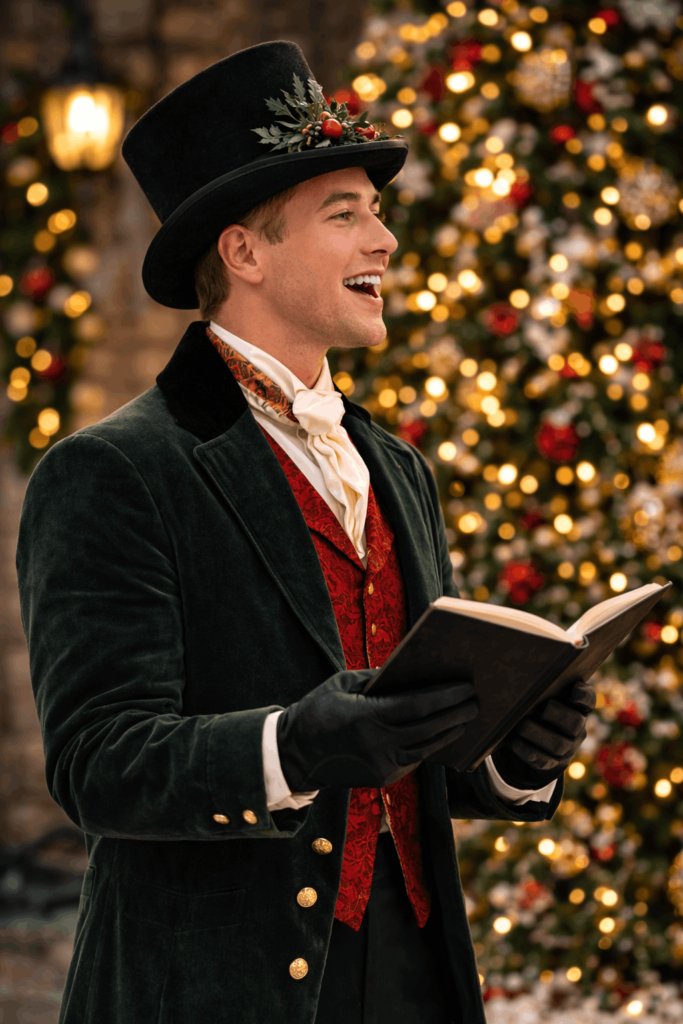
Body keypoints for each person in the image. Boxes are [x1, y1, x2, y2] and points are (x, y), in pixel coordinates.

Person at [16, 41, 595, 1024]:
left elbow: (393, 766)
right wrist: (291, 745)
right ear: (243, 251)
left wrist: (507, 759)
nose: (383, 242)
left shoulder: (396, 467)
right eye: (344, 214)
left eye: (376, 212)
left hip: (413, 975)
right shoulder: (113, 471)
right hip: (214, 989)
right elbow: (97, 764)